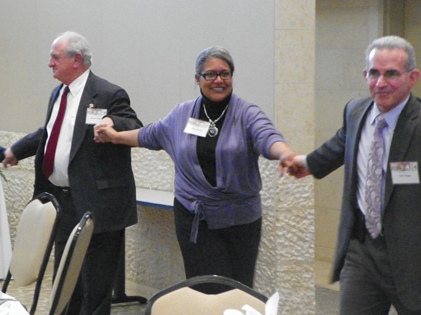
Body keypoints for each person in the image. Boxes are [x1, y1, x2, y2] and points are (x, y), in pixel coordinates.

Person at [95, 46, 296, 294]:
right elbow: (149, 134)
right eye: (210, 74)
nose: (218, 80)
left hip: (240, 220)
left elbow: (267, 135)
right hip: (194, 217)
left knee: (240, 290)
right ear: (198, 79)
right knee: (206, 289)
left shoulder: (247, 113)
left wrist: (284, 154)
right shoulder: (182, 114)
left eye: (225, 73)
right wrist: (114, 136)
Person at [288, 35, 421, 314]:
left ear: (413, 77)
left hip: (417, 260)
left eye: (391, 74)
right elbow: (341, 143)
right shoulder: (355, 110)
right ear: (365, 74)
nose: (380, 83)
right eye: (374, 73)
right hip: (362, 251)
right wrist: (308, 163)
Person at [3, 31, 142, 314]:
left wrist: (111, 122)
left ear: (76, 59)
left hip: (99, 204)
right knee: (67, 279)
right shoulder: (59, 93)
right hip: (63, 202)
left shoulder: (107, 93)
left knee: (96, 284)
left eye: (55, 57)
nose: (50, 64)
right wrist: (17, 150)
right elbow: (51, 133)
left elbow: (132, 122)